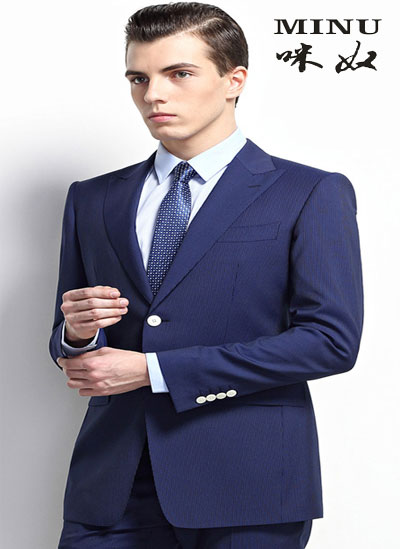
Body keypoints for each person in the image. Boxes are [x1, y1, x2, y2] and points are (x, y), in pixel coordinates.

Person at [49, 2, 364, 548]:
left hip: (248, 483)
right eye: (138, 78)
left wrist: (155, 370)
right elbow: (68, 336)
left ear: (234, 80)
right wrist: (77, 335)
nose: (154, 94)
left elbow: (330, 342)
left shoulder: (308, 192)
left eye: (179, 74)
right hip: (112, 483)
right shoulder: (92, 198)